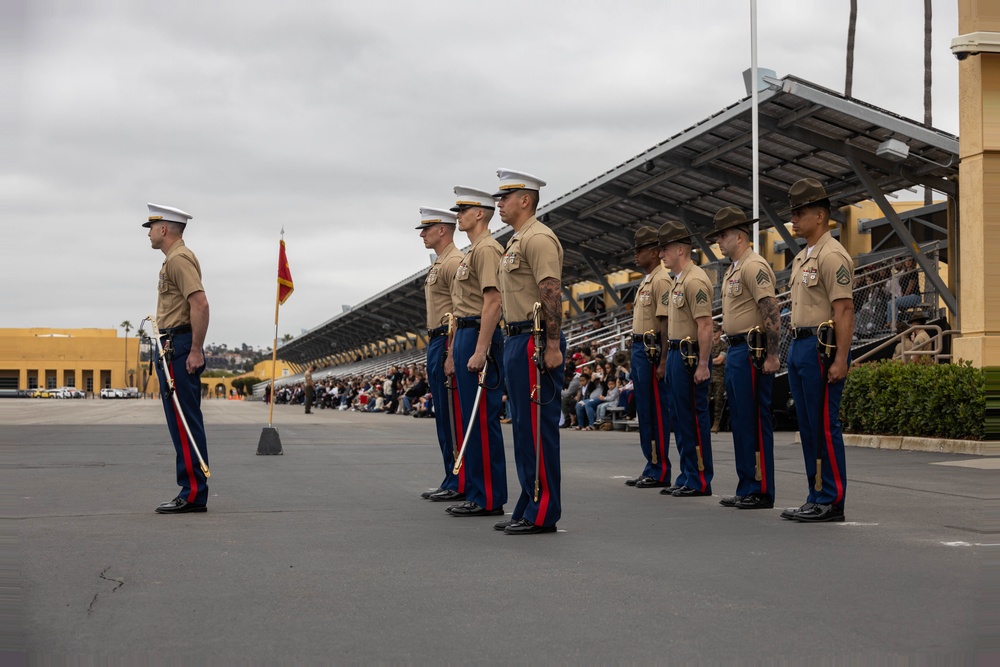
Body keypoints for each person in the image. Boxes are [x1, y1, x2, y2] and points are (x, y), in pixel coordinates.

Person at [493, 168, 564, 535]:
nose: (499, 204)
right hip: (516, 338)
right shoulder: (517, 240)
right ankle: (528, 503)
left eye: (504, 198)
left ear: (525, 200)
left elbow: (550, 291)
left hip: (535, 340)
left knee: (538, 429)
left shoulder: (538, 239)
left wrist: (552, 345)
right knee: (522, 428)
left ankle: (544, 509)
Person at [783, 178, 855, 523]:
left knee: (825, 424)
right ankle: (815, 493)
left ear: (821, 216)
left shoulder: (832, 254)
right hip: (800, 345)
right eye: (792, 213)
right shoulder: (802, 257)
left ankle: (831, 499)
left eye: (800, 213)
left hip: (821, 348)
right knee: (809, 426)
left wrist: (841, 358)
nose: (793, 220)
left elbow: (843, 310)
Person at [708, 206, 780, 511]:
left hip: (752, 349)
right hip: (736, 348)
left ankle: (760, 487)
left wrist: (773, 354)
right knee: (739, 420)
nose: (719, 242)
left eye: (723, 236)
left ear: (740, 236)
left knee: (753, 419)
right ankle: (746, 484)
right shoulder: (735, 269)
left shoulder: (754, 266)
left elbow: (770, 308)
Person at [442, 186, 508, 518]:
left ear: (479, 213)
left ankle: (489, 496)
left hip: (480, 334)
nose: (458, 216)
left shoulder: (486, 250)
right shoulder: (473, 251)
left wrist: (481, 349)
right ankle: (479, 490)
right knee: (472, 418)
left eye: (463, 210)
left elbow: (493, 301)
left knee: (482, 419)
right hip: (466, 332)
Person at [144, 203, 210, 515]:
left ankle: (194, 492)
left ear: (165, 229)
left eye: (152, 227)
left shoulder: (179, 259)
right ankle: (191, 488)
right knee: (179, 421)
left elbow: (200, 304)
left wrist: (195, 350)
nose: (149, 232)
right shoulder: (174, 258)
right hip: (172, 344)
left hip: (179, 346)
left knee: (184, 422)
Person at [657, 220, 714, 498]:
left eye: (665, 249)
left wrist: (703, 364)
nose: (661, 254)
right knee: (679, 419)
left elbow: (705, 325)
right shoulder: (678, 280)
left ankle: (700, 477)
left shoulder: (695, 280)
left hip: (691, 356)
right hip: (677, 354)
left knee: (693, 418)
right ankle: (687, 474)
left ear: (680, 249)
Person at [416, 207, 466, 502]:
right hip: (436, 339)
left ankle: (459, 478)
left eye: (427, 228)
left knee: (451, 414)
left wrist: (451, 351)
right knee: (442, 417)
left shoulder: (454, 262)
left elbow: (460, 309)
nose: (422, 234)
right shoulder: (440, 264)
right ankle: (451, 475)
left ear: (443, 230)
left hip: (447, 339)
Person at [624, 226, 673, 489]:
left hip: (652, 350)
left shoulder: (661, 280)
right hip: (640, 349)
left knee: (655, 411)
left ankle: (659, 467)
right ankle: (651, 464)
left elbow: (664, 322)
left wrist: (663, 360)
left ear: (654, 252)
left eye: (640, 249)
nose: (635, 254)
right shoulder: (647, 280)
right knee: (645, 411)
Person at [708, 323, 727, 432]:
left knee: (718, 402)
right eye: (712, 332)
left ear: (720, 332)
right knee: (705, 400)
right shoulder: (708, 345)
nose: (714, 334)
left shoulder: (723, 346)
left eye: (715, 332)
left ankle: (716, 424)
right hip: (708, 375)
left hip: (719, 377)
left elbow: (720, 360)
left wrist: (707, 361)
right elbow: (718, 360)